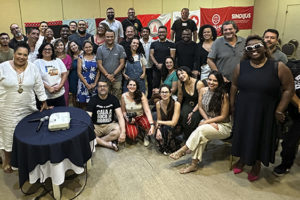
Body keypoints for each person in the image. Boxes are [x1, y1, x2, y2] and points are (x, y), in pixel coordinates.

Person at [230, 35, 294, 181]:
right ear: (246, 51)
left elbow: (289, 89)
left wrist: (280, 110)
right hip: (244, 109)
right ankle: (242, 159)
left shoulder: (278, 67)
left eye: (257, 46)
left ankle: (256, 164)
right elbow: (234, 86)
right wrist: (233, 105)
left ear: (265, 48)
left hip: (265, 111)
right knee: (242, 135)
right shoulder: (241, 66)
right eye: (250, 48)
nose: (254, 50)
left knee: (260, 137)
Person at [170, 71, 232, 174]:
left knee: (201, 130)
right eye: (210, 79)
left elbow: (224, 116)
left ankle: (184, 149)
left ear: (219, 82)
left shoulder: (224, 95)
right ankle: (193, 165)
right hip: (209, 121)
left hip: (223, 126)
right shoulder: (203, 90)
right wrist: (208, 121)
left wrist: (207, 122)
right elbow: (200, 107)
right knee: (202, 134)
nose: (211, 82)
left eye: (215, 81)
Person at [0, 42, 49, 173]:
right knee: (9, 136)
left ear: (28, 56)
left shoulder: (32, 67)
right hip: (7, 108)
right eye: (19, 54)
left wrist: (44, 101)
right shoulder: (3, 67)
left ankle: (26, 159)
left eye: (25, 55)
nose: (21, 57)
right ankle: (8, 160)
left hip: (28, 107)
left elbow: (38, 85)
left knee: (27, 134)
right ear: (14, 54)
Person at [273, 58, 300, 176]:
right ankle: (285, 164)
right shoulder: (293, 66)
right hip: (294, 112)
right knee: (289, 142)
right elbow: (288, 88)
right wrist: (299, 104)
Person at [86, 81, 126, 151]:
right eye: (100, 86)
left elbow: (120, 116)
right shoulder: (93, 100)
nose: (102, 88)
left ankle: (97, 142)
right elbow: (88, 116)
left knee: (118, 131)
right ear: (97, 88)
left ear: (108, 87)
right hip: (96, 126)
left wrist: (123, 132)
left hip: (109, 125)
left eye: (104, 86)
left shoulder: (113, 99)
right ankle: (108, 144)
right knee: (86, 133)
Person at [121, 79, 155, 145]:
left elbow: (147, 110)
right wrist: (127, 118)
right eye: (130, 85)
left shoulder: (141, 95)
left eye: (134, 85)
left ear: (136, 87)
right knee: (132, 135)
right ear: (127, 86)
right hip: (130, 117)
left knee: (147, 124)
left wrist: (151, 124)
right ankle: (136, 131)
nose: (132, 86)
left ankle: (146, 135)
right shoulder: (123, 96)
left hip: (140, 116)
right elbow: (123, 111)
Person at [34, 43, 68, 107]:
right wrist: (48, 88)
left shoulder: (58, 60)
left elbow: (64, 74)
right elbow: (36, 79)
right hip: (45, 97)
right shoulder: (37, 63)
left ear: (52, 51)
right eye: (45, 49)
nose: (47, 51)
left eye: (49, 49)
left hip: (59, 94)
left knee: (61, 114)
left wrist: (60, 86)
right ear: (41, 50)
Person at [97, 30, 126, 100]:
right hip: (104, 78)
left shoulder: (120, 48)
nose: (110, 38)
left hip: (117, 78)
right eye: (108, 37)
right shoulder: (100, 49)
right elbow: (99, 64)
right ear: (104, 37)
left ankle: (116, 111)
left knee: (117, 98)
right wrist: (107, 75)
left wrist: (113, 75)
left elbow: (122, 63)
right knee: (104, 98)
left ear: (114, 37)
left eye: (111, 37)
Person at [177, 66, 204, 141]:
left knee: (193, 117)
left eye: (182, 73)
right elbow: (180, 96)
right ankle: (186, 136)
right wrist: (176, 109)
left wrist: (193, 112)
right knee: (183, 114)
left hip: (199, 104)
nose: (181, 76)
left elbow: (201, 101)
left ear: (188, 72)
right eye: (179, 75)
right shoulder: (180, 83)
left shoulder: (199, 83)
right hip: (187, 103)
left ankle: (194, 138)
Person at [155, 84, 181, 154]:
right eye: (162, 92)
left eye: (166, 92)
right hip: (164, 125)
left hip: (175, 126)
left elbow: (174, 123)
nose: (164, 94)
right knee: (158, 133)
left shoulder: (176, 104)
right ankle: (165, 144)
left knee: (166, 129)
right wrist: (158, 130)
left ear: (170, 93)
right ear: (160, 94)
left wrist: (159, 122)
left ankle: (170, 145)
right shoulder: (158, 104)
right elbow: (159, 119)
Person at [77, 40, 100, 108]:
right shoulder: (81, 58)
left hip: (94, 83)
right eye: (86, 47)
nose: (88, 49)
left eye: (90, 47)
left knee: (94, 102)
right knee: (83, 103)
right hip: (83, 83)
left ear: (92, 47)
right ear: (83, 48)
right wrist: (86, 84)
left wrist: (95, 83)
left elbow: (98, 71)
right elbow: (79, 72)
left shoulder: (96, 57)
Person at [54, 39, 72, 106]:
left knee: (64, 99)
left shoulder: (68, 57)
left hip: (64, 81)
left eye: (61, 45)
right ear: (55, 47)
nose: (59, 47)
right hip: (53, 81)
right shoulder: (53, 57)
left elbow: (67, 72)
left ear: (64, 46)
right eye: (57, 45)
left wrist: (61, 83)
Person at [140, 27, 153, 99]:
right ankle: (141, 96)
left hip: (150, 66)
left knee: (150, 82)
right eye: (143, 32)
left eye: (146, 32)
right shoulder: (138, 42)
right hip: (141, 66)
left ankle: (149, 97)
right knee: (141, 83)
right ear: (141, 33)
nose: (145, 33)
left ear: (149, 33)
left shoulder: (153, 42)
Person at [67, 41, 82, 107]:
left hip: (83, 78)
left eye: (74, 45)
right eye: (71, 46)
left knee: (83, 95)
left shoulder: (84, 53)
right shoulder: (70, 57)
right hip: (73, 78)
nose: (73, 47)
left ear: (77, 45)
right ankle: (76, 110)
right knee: (74, 96)